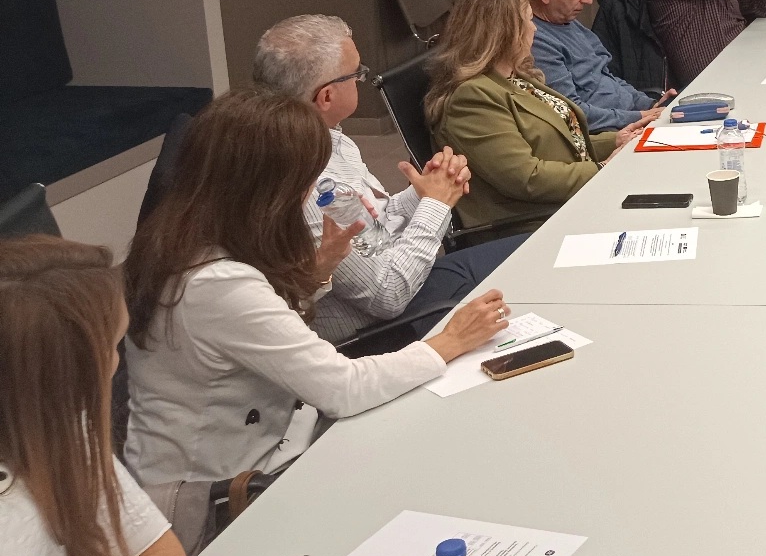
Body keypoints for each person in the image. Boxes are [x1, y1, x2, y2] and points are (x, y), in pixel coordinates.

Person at [122, 90, 513, 486]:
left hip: (276, 440)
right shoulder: (217, 286)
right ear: (269, 189)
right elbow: (344, 388)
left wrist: (314, 276)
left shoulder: (182, 235)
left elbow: (253, 332)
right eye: (306, 179)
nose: (310, 192)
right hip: (227, 493)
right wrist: (450, 341)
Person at [252, 14, 532, 343]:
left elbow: (375, 226)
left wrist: (422, 193)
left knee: (537, 249)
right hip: (381, 333)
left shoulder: (328, 138)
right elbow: (388, 295)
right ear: (326, 97)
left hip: (408, 276)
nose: (361, 78)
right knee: (533, 265)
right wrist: (436, 204)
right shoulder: (307, 186)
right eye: (356, 73)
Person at [0, 236, 190, 556]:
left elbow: (151, 553)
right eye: (112, 346)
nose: (117, 362)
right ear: (60, 377)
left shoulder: (59, 430)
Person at [430, 0, 647, 226]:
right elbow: (527, 178)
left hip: (569, 200)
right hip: (534, 223)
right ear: (505, 32)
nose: (534, 28)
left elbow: (558, 143)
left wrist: (615, 140)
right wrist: (603, 167)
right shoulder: (471, 98)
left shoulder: (516, 77)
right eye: (528, 19)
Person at [526, 0, 675, 130]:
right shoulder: (536, 41)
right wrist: (638, 116)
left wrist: (650, 105)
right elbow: (573, 113)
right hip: (610, 133)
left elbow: (608, 78)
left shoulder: (570, 23)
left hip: (631, 118)